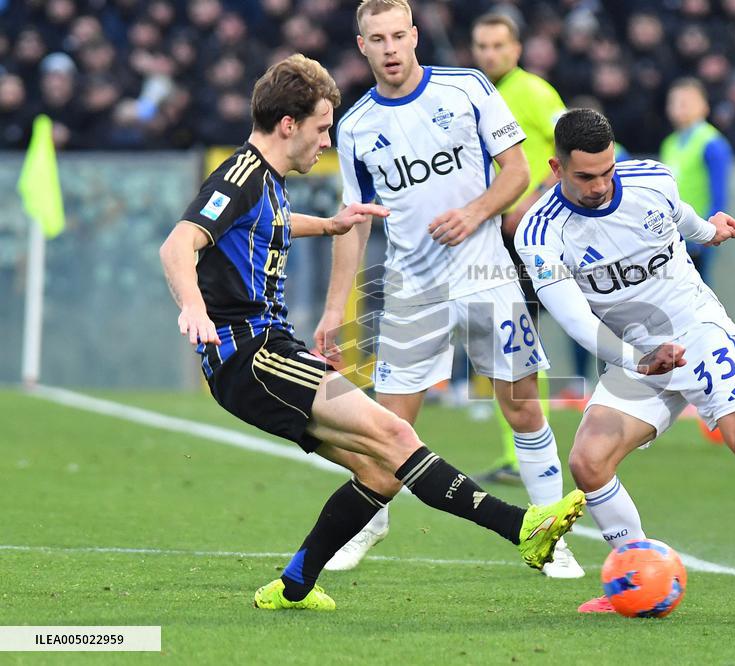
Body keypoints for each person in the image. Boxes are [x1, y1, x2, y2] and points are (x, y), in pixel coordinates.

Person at [158, 53, 585, 612]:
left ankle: (293, 586)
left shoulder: (267, 179)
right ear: (288, 125)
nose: (326, 142)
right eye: (320, 129)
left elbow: (264, 225)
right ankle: (522, 528)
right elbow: (178, 244)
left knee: (381, 471)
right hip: (251, 355)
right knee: (395, 434)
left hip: (266, 351)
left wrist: (330, 225)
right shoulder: (240, 176)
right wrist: (194, 308)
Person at [515, 108, 735, 618]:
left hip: (699, 332)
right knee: (588, 461)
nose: (600, 185)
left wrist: (709, 232)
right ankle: (635, 577)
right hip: (634, 354)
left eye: (607, 171)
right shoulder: (539, 234)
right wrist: (638, 359)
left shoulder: (652, 180)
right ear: (556, 169)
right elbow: (577, 321)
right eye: (585, 177)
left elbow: (683, 217)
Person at [313, 0, 582, 578]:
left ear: (414, 36)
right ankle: (369, 524)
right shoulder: (356, 127)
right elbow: (354, 222)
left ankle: (552, 536)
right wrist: (335, 310)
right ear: (362, 46)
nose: (389, 48)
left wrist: (474, 213)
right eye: (377, 39)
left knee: (522, 406)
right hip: (413, 291)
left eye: (397, 35)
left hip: (487, 277)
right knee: (388, 426)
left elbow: (517, 170)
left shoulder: (467, 88)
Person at [471, 12, 585, 502]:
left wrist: (534, 197)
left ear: (517, 49)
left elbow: (574, 143)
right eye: (482, 46)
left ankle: (531, 455)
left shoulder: (534, 92)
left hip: (535, 235)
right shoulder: (477, 93)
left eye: (498, 45)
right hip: (499, 235)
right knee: (510, 339)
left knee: (520, 339)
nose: (490, 53)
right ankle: (517, 454)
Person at [658, 78, 731, 286]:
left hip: (698, 234)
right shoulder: (669, 143)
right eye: (674, 102)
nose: (678, 108)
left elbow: (719, 196)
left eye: (686, 102)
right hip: (673, 235)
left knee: (698, 289)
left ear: (704, 106)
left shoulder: (712, 143)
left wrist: (708, 233)